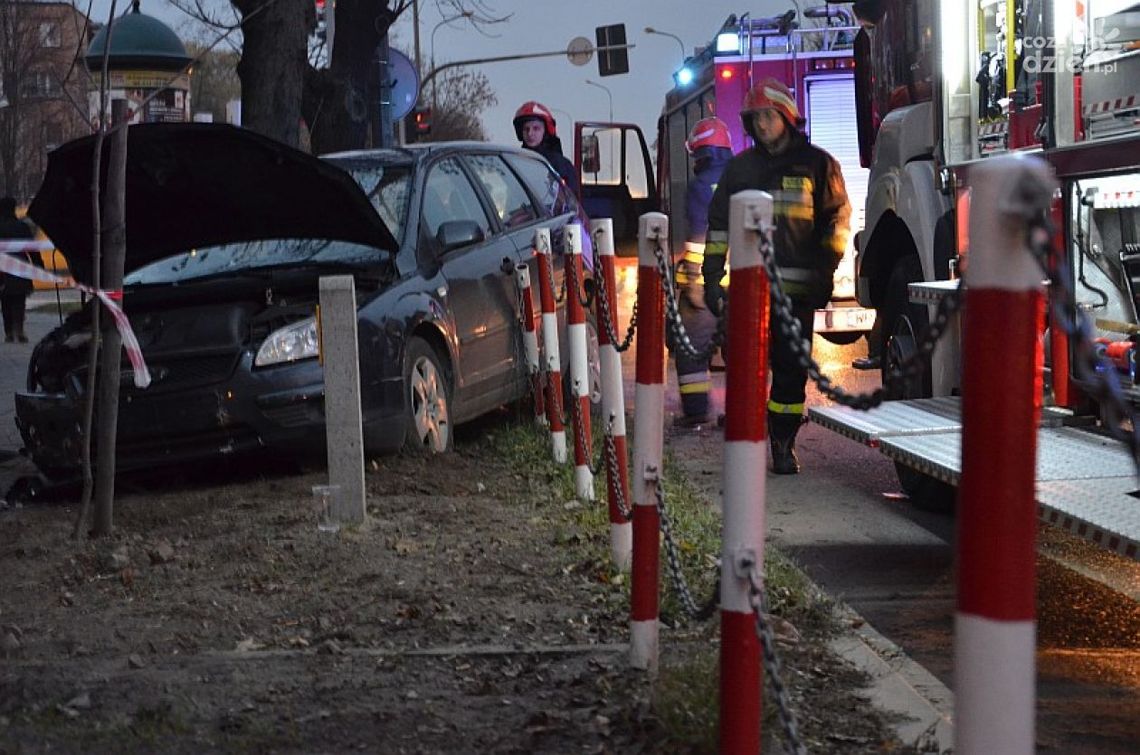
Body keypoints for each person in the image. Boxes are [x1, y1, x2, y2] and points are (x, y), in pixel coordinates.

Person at [702, 78, 851, 474]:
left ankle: (783, 443)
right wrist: (712, 278)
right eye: (756, 118)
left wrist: (824, 274)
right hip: (746, 296)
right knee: (745, 369)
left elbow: (836, 222)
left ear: (787, 116)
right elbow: (718, 226)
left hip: (796, 295)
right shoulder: (739, 169)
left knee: (789, 375)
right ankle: (746, 444)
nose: (763, 124)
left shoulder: (818, 165)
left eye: (769, 116)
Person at [672, 117, 733, 429]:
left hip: (711, 281)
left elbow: (699, 236)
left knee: (691, 345)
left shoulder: (700, 186)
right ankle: (742, 411)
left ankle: (697, 410)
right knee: (741, 348)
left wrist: (694, 282)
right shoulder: (744, 178)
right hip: (745, 281)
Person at [513, 101, 580, 197]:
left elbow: (570, 200)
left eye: (536, 128)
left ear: (546, 131)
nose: (530, 134)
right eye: (526, 129)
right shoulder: (515, 161)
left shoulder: (561, 166)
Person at [0, 196, 40, 343]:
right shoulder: (22, 227)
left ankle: (9, 332)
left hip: (2, 270)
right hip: (20, 268)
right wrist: (38, 265)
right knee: (19, 300)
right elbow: (32, 249)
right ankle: (19, 329)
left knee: (5, 300)